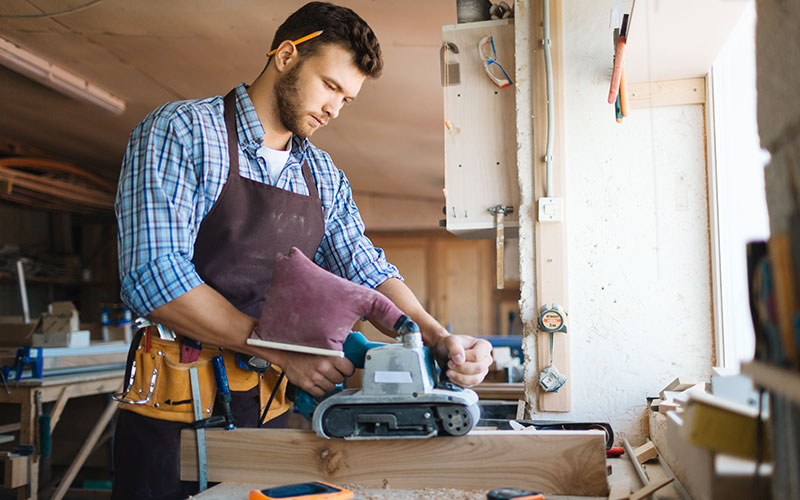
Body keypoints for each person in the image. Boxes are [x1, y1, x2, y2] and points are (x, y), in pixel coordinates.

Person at [112, 2, 493, 499]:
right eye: (331, 86)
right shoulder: (183, 131)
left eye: (348, 99)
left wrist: (436, 336)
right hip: (176, 411)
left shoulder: (322, 174)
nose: (335, 108)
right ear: (287, 55)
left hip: (270, 408)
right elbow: (154, 275)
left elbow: (363, 265)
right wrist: (275, 348)